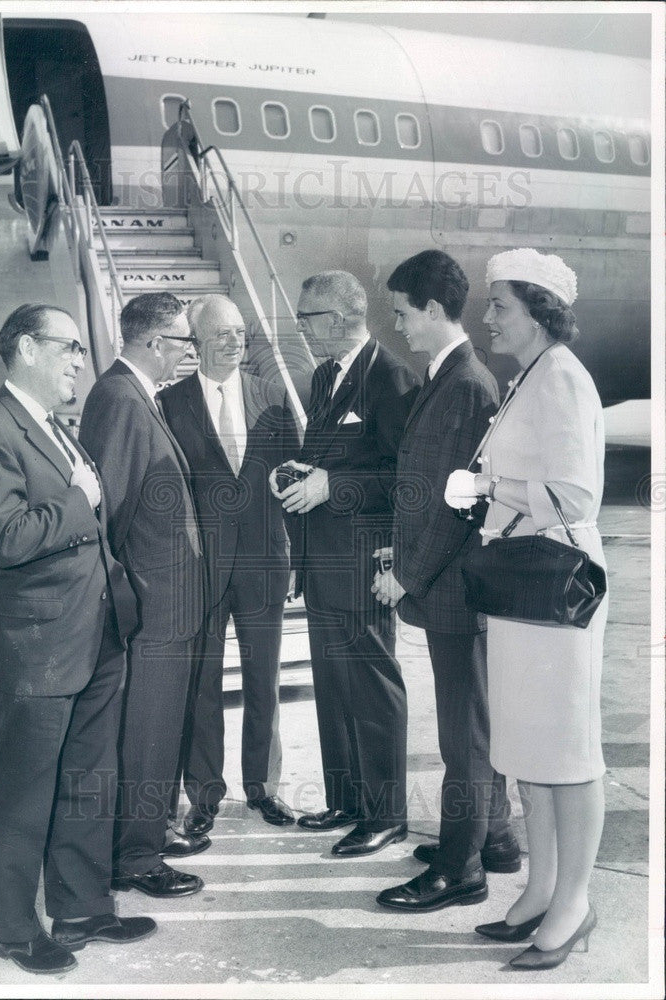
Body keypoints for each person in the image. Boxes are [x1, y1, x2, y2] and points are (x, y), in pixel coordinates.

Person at [0, 304, 152, 975]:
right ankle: (11, 927)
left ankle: (82, 906)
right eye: (68, 348)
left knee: (89, 780)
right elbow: (5, 540)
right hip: (32, 648)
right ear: (28, 348)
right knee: (20, 790)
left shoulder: (56, 430)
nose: (78, 362)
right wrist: (75, 498)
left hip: (94, 635)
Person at [445, 248, 608, 969]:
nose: (487, 318)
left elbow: (577, 498)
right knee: (530, 750)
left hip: (557, 582)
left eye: (500, 305)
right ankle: (541, 887)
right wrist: (490, 483)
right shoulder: (530, 377)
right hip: (522, 581)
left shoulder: (564, 380)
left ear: (540, 309)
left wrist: (489, 491)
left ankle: (574, 901)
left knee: (568, 751)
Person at [370, 250, 519, 914]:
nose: (397, 326)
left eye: (402, 313)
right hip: (450, 584)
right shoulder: (448, 376)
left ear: (432, 311)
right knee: (472, 724)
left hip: (457, 586)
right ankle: (494, 840)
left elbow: (464, 503)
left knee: (465, 735)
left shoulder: (465, 384)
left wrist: (406, 576)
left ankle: (461, 870)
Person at [270, 270, 419, 856]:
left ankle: (387, 814)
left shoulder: (390, 377)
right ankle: (347, 800)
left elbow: (405, 478)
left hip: (363, 564)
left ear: (335, 318)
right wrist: (307, 473)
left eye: (306, 317)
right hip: (326, 563)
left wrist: (334, 485)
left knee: (373, 687)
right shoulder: (328, 375)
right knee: (333, 687)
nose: (301, 329)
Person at [78, 292, 207, 899]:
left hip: (166, 604)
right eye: (185, 342)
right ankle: (135, 857)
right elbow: (111, 514)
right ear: (156, 343)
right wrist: (121, 604)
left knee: (155, 732)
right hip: (154, 607)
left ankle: (143, 832)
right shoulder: (122, 401)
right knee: (149, 734)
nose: (189, 353)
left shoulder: (133, 397)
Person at [161, 295, 299, 832]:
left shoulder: (271, 396)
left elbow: (293, 478)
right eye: (220, 333)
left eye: (239, 331)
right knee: (204, 683)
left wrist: (298, 559)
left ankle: (264, 788)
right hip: (203, 571)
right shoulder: (170, 404)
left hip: (265, 565)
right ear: (195, 341)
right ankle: (204, 795)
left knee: (265, 680)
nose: (233, 340)